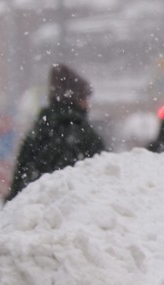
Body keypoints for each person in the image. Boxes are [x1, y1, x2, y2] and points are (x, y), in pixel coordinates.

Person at [8, 64, 106, 200]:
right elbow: (103, 185)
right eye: (85, 98)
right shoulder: (86, 137)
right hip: (78, 209)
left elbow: (17, 185)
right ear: (77, 99)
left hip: (35, 209)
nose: (88, 104)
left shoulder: (37, 134)